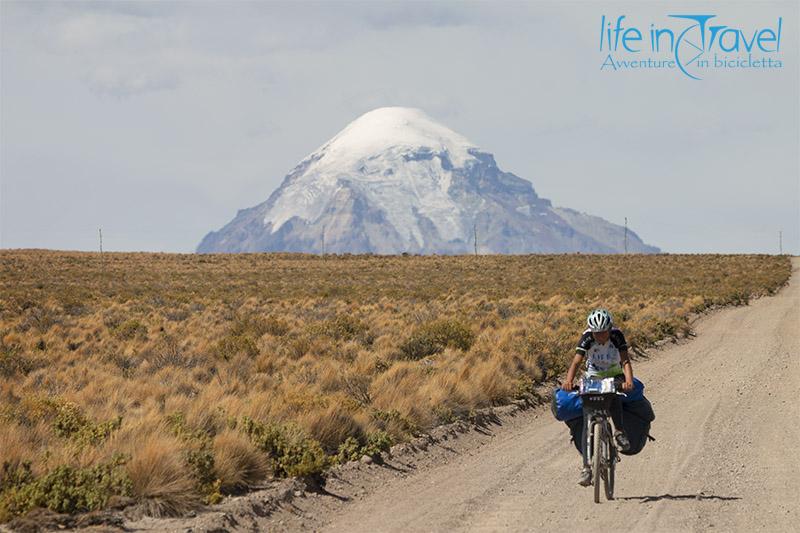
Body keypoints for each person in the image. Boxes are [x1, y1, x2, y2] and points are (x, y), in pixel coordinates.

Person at [562, 308, 634, 487]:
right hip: (593, 375)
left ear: (610, 329)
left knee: (614, 396)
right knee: (588, 417)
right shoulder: (587, 337)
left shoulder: (617, 336)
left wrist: (628, 381)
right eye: (597, 333)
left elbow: (625, 361)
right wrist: (569, 381)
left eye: (603, 333)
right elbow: (576, 361)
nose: (600, 337)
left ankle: (619, 432)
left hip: (614, 373)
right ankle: (586, 468)